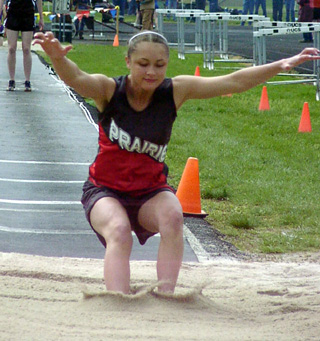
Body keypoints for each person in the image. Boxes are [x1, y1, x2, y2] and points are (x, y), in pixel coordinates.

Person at [32, 30, 320, 294]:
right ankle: (117, 302)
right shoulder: (109, 90)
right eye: (143, 63)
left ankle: (166, 298)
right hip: (105, 191)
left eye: (159, 65)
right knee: (119, 231)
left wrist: (280, 65)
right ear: (128, 61)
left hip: (149, 193)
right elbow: (78, 79)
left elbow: (232, 81)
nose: (151, 71)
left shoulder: (175, 90)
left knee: (173, 216)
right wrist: (58, 59)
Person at [0, 0, 43, 91]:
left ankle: (27, 80)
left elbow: (39, 0)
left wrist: (41, 17)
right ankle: (11, 80)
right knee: (11, 48)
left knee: (26, 48)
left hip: (27, 13)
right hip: (13, 13)